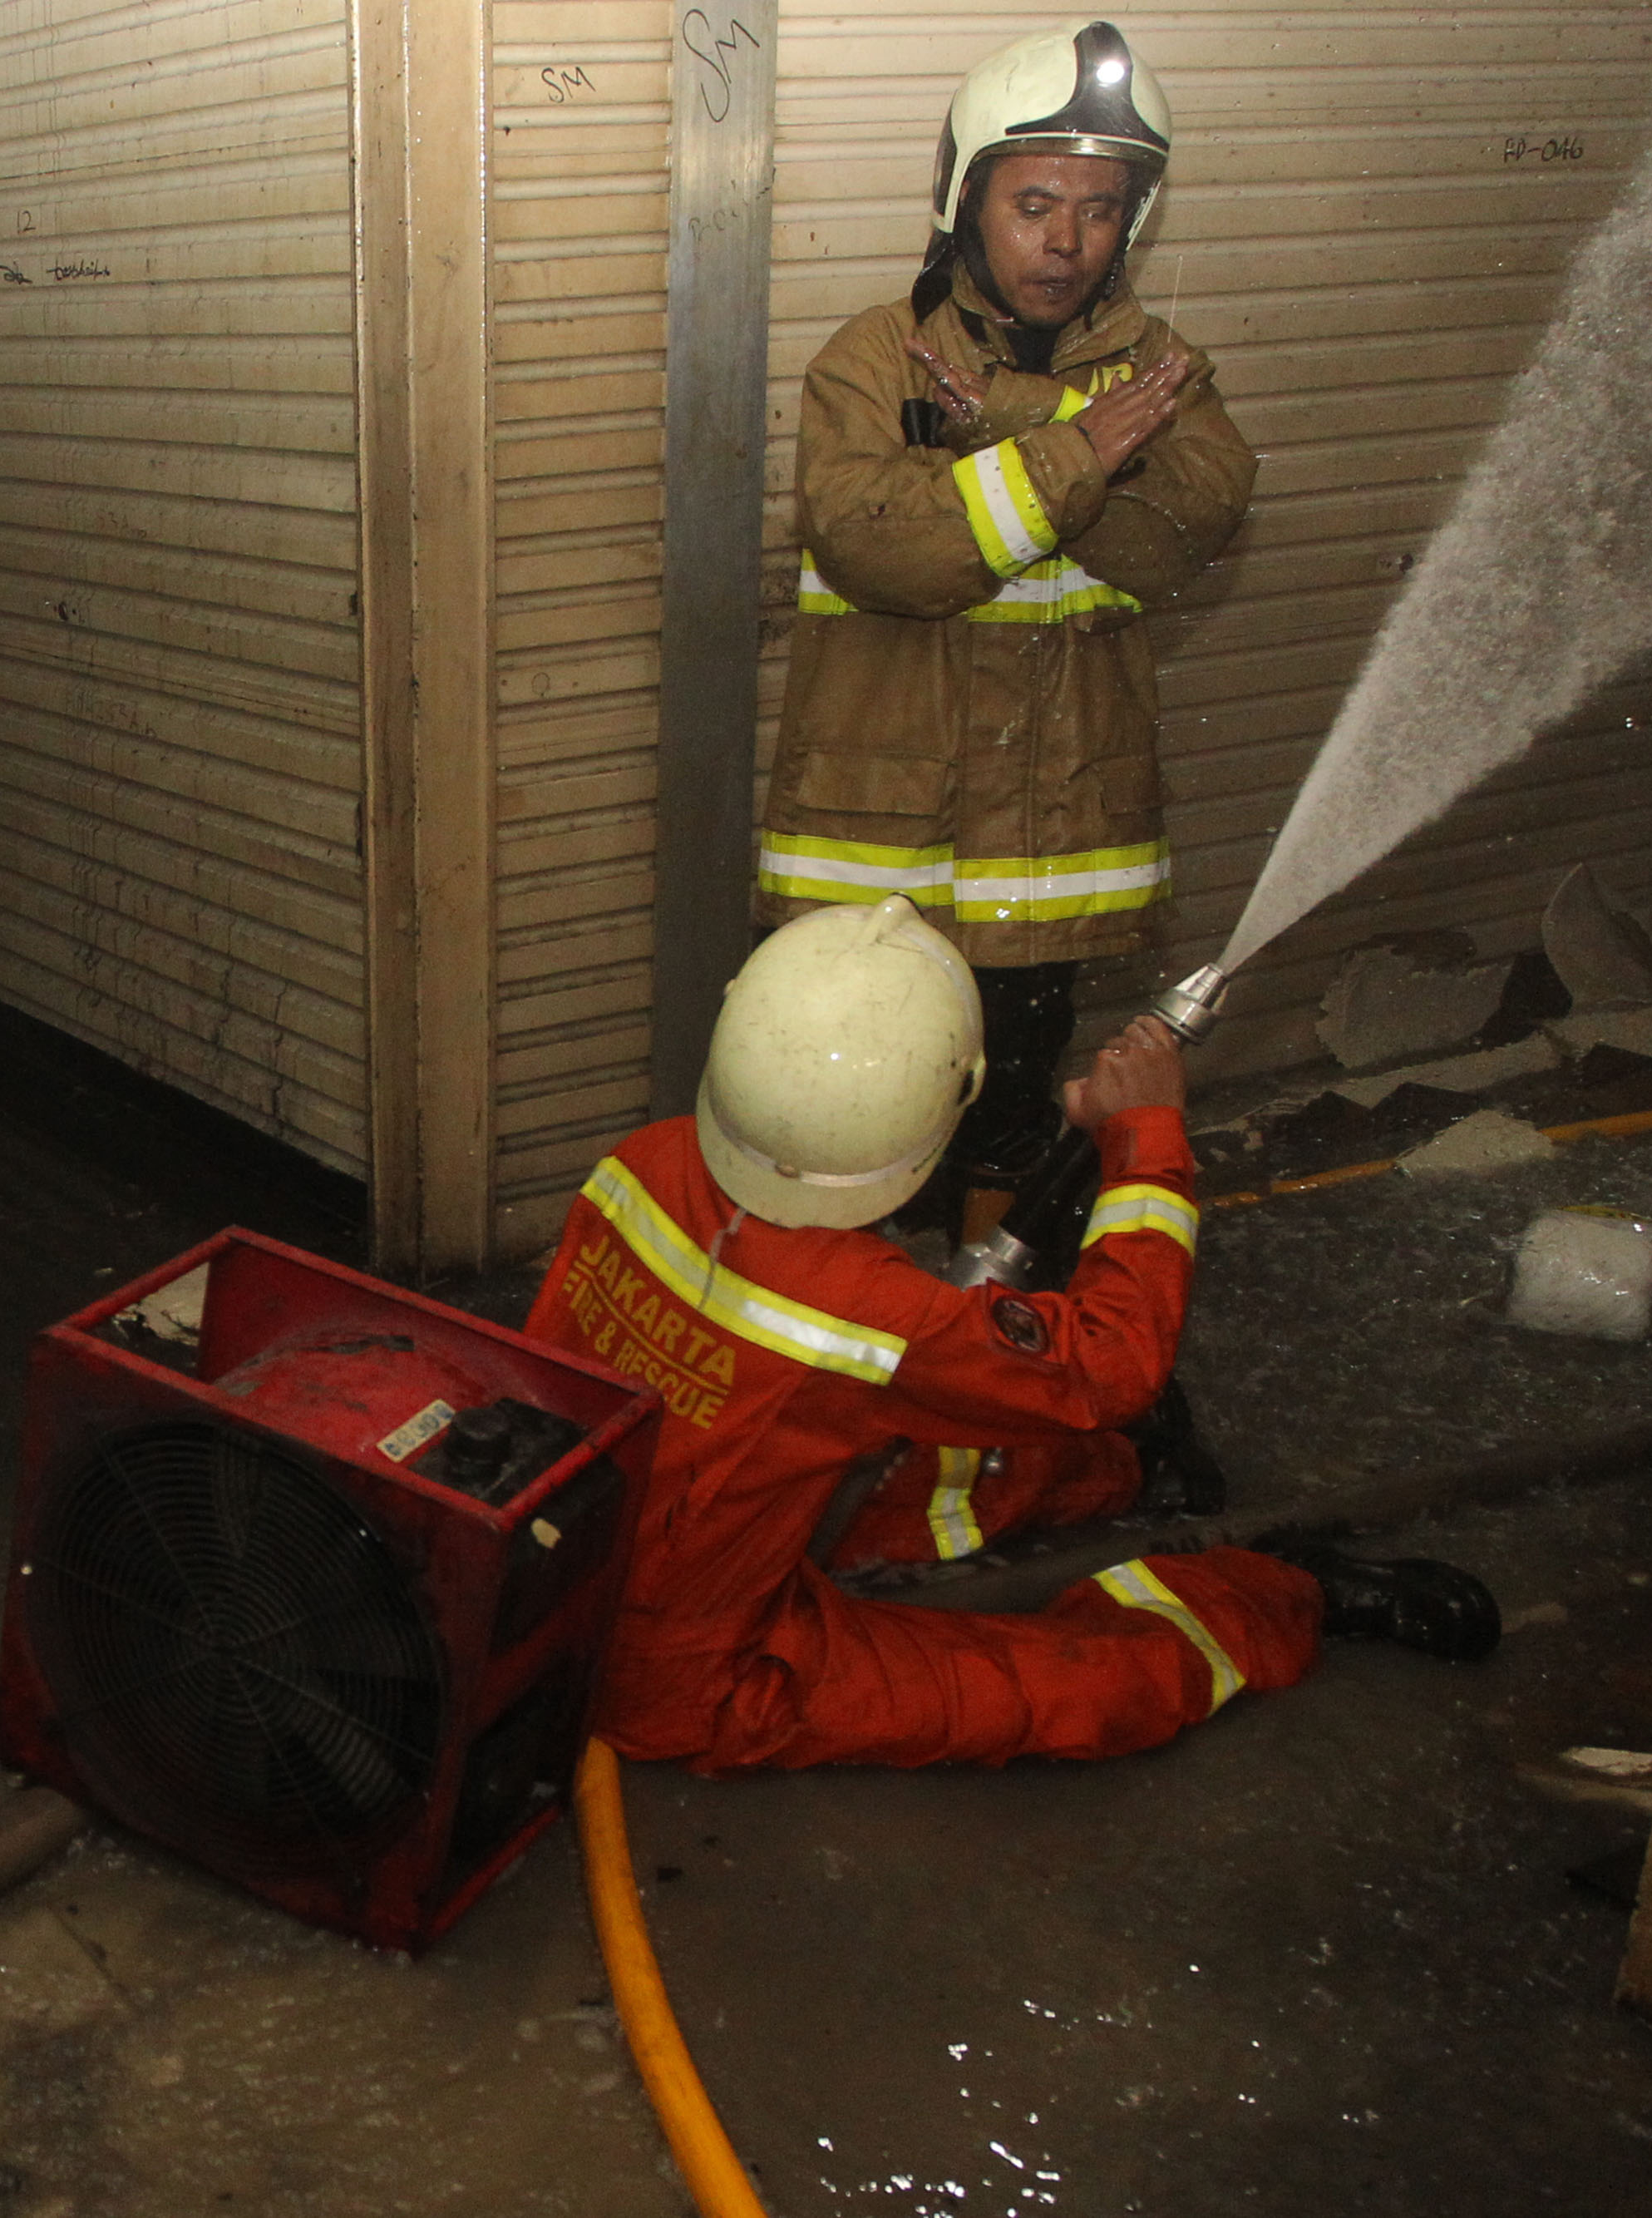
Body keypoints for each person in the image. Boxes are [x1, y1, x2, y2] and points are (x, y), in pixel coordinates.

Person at [525, 895, 1495, 1773]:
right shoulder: (869, 1319)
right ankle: (1281, 1592)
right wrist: (1143, 1136)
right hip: (677, 1673)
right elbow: (1111, 1367)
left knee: (924, 1456)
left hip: (574, 1561)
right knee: (1078, 1689)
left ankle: (1120, 1476)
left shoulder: (642, 1161)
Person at [755, 18, 1257, 1244]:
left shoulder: (1167, 372)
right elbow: (886, 545)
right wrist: (1084, 449)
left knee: (1014, 1120)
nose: (1066, 241)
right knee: (845, 1122)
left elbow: (1179, 529)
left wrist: (1019, 421)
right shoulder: (876, 359)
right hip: (877, 861)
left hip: (1045, 856)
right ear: (967, 197)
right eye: (1035, 203)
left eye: (1098, 208)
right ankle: (839, 1362)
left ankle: (980, 1349)